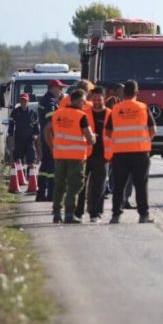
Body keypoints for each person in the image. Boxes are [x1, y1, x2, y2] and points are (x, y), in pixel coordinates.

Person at [106, 80, 157, 224]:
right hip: (140, 152)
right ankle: (143, 215)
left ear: (123, 93)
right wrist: (144, 140)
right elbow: (153, 130)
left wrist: (120, 139)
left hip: (120, 153)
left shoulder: (116, 109)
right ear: (137, 92)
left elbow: (108, 132)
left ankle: (116, 216)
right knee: (141, 185)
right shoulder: (143, 108)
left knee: (119, 186)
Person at [43, 89, 95, 224]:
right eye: (83, 101)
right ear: (78, 101)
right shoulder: (81, 116)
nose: (84, 104)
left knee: (59, 184)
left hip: (59, 155)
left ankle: (56, 213)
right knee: (74, 185)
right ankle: (69, 214)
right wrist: (93, 139)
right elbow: (89, 138)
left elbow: (46, 131)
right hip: (76, 157)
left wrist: (52, 146)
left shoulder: (57, 114)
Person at [77, 87, 111, 223]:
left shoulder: (110, 114)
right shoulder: (84, 114)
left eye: (99, 99)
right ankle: (78, 212)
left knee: (99, 186)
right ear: (91, 99)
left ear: (104, 98)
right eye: (94, 99)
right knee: (81, 185)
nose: (97, 101)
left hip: (103, 155)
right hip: (85, 154)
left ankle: (95, 213)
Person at [35, 79, 65, 203]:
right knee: (52, 167)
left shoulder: (45, 100)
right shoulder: (49, 102)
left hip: (45, 137)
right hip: (51, 137)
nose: (61, 90)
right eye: (60, 88)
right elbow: (53, 121)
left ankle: (41, 194)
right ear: (53, 88)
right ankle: (51, 194)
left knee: (45, 167)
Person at [7, 93, 39, 175]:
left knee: (31, 158)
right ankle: (20, 176)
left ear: (28, 101)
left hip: (30, 140)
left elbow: (36, 126)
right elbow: (11, 123)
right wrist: (10, 133)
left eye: (25, 101)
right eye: (21, 101)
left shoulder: (33, 113)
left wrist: (36, 135)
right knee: (18, 159)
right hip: (19, 140)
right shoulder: (15, 112)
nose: (23, 102)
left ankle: (31, 176)